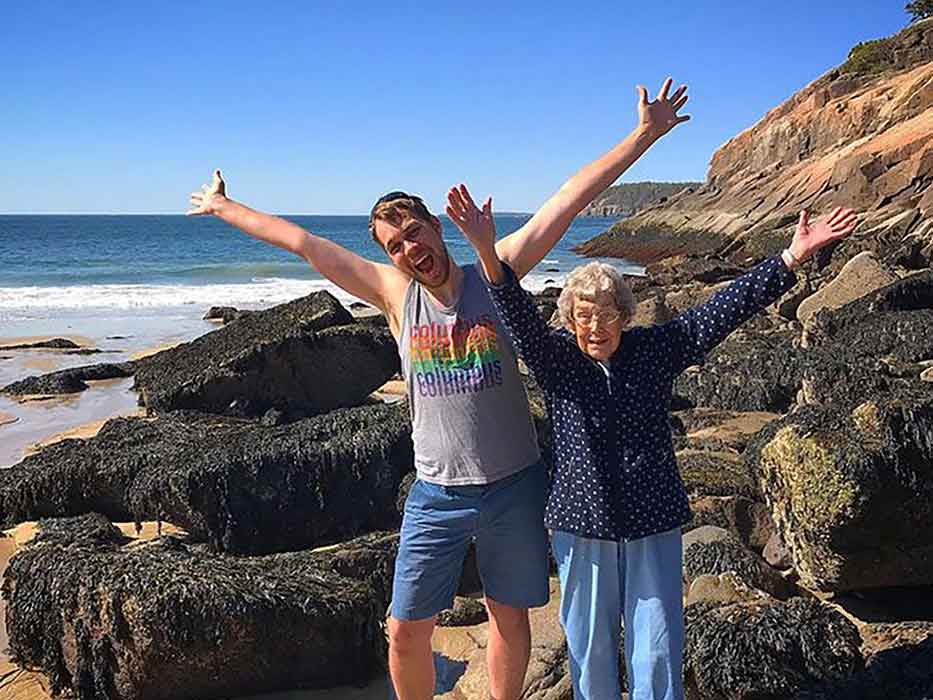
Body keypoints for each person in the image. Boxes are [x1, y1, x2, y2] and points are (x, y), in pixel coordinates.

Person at [186, 78, 691, 700]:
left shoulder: (494, 269)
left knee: (510, 618)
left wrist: (643, 134)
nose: (409, 249)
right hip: (436, 491)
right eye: (395, 246)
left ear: (435, 226)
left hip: (514, 486)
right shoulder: (396, 296)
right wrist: (223, 207)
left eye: (414, 233)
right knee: (404, 628)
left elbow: (565, 200)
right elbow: (304, 244)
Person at [444, 186, 857, 700]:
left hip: (654, 519)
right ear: (570, 320)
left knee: (657, 646)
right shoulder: (556, 361)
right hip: (581, 523)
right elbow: (517, 315)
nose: (597, 327)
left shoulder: (656, 351)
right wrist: (486, 252)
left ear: (625, 313)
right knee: (590, 648)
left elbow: (722, 310)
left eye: (608, 313)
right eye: (585, 316)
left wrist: (791, 257)